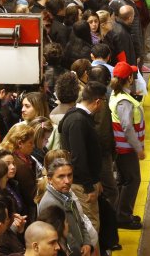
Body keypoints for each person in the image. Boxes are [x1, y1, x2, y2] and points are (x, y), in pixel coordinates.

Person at [57, 83, 105, 235]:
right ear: (98, 101)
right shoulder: (78, 121)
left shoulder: (76, 115)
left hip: (86, 181)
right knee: (91, 226)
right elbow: (78, 157)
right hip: (82, 185)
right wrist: (89, 187)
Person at [108, 63, 146, 230]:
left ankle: (119, 214)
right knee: (132, 180)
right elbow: (127, 127)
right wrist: (138, 148)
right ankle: (123, 217)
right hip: (126, 149)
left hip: (121, 148)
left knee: (124, 180)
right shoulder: (124, 101)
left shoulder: (116, 95)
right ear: (129, 78)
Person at [37, 159, 96, 256]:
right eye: (61, 176)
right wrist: (80, 252)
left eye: (70, 175)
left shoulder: (67, 195)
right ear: (50, 179)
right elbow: (61, 238)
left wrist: (87, 243)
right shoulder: (50, 203)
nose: (67, 181)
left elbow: (80, 222)